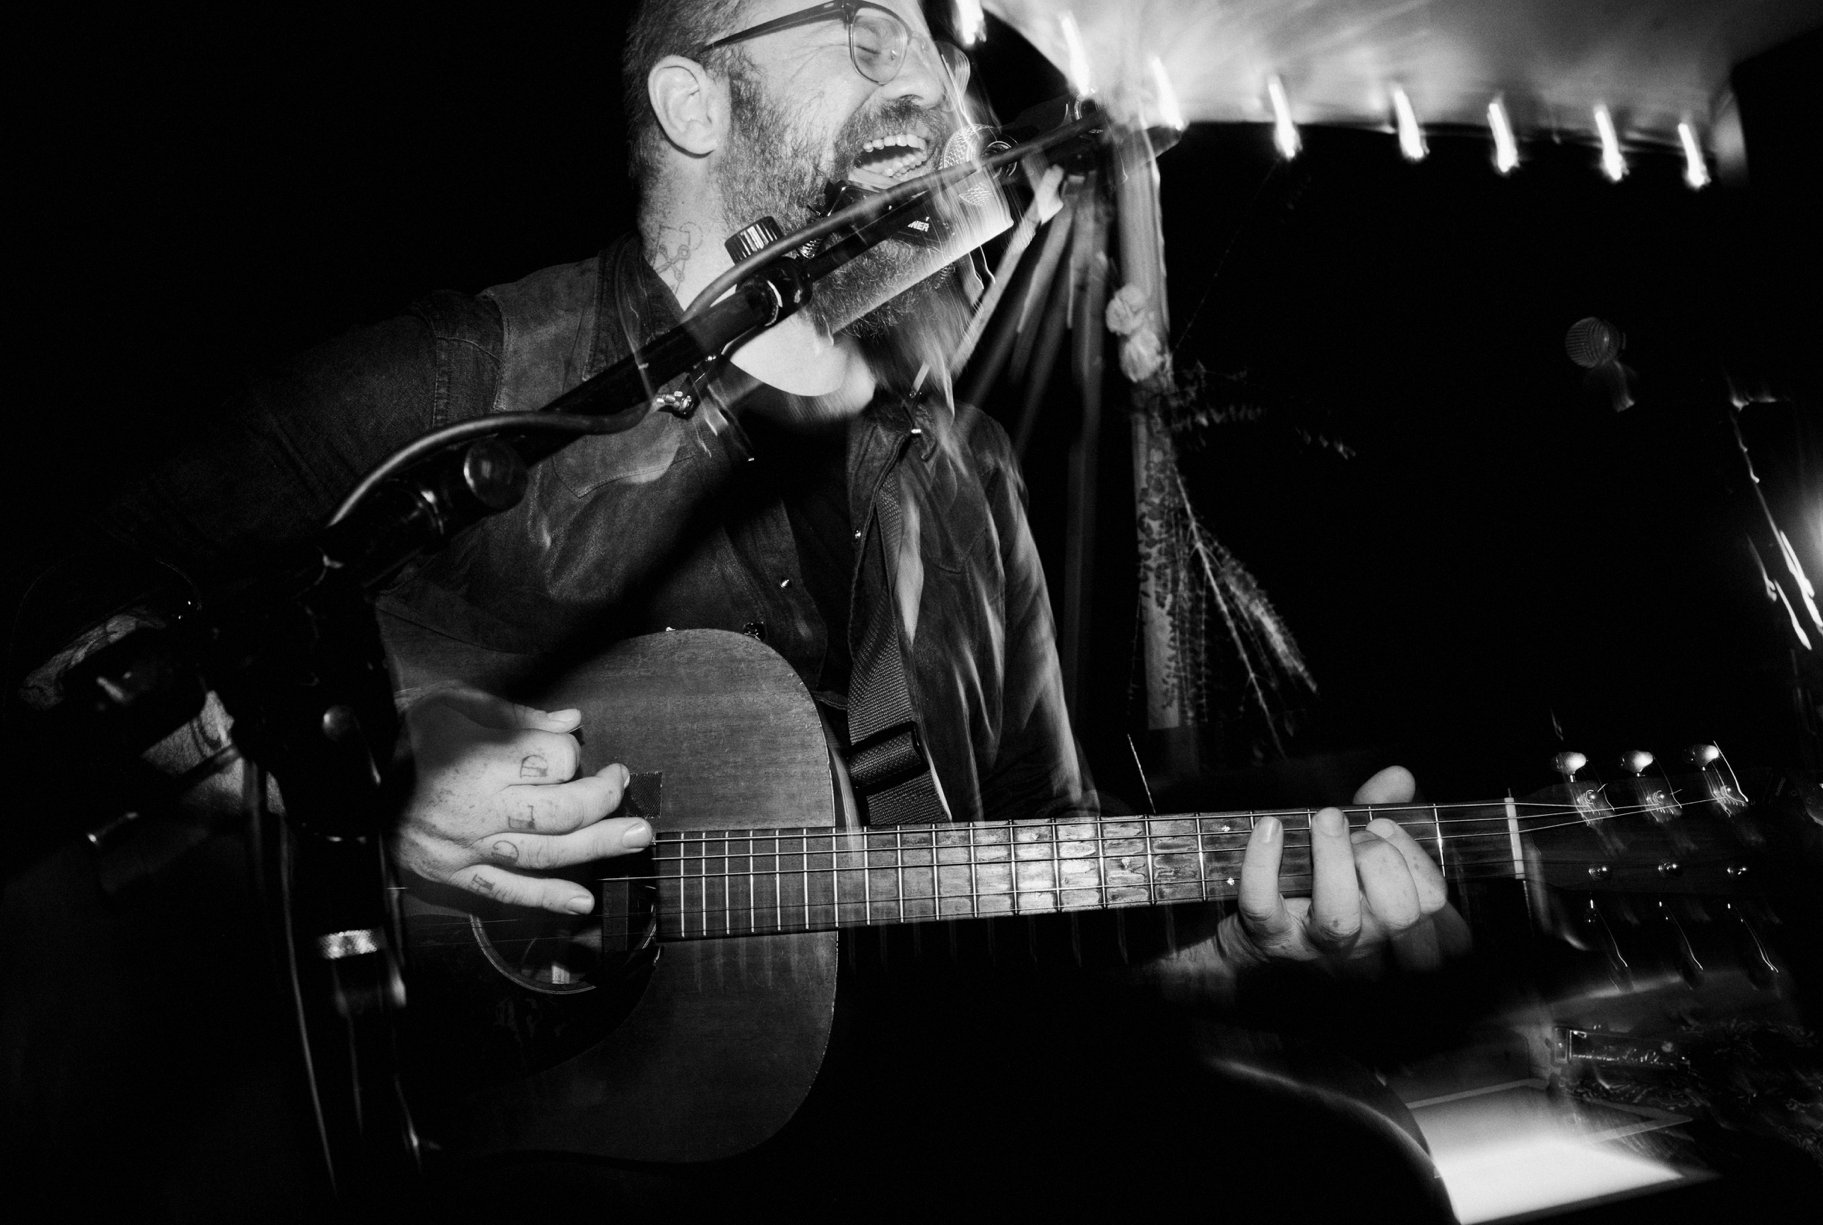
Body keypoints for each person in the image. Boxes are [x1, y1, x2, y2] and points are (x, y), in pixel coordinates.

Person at [15, 1, 1467, 1217]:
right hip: (372, 1133)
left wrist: (1236, 939)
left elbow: (1044, 910)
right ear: (692, 102)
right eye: (860, 21)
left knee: (1350, 1175)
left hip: (855, 1145)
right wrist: (328, 785)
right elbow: (46, 608)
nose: (930, 67)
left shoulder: (964, 483)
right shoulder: (472, 381)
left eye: (931, 30)